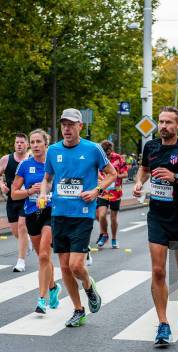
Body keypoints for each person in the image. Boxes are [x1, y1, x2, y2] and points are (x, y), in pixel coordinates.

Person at [133, 106, 178, 347]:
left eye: (168, 122)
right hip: (157, 216)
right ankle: (163, 324)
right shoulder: (151, 147)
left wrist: (175, 177)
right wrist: (138, 182)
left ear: (177, 126)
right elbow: (144, 168)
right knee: (158, 271)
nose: (163, 126)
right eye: (160, 122)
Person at [39, 108, 116, 327]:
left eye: (71, 124)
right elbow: (47, 178)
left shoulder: (93, 149)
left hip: (82, 214)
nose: (67, 128)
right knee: (64, 267)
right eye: (64, 124)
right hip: (59, 214)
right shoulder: (53, 151)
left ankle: (89, 285)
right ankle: (78, 309)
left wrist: (96, 190)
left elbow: (112, 174)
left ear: (80, 126)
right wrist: (44, 193)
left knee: (76, 266)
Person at [12, 129, 61, 314]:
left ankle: (41, 300)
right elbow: (14, 193)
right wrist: (30, 191)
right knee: (44, 257)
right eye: (32, 142)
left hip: (51, 212)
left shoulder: (56, 164)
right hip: (32, 213)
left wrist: (51, 194)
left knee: (43, 255)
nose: (35, 145)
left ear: (46, 144)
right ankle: (53, 287)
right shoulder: (25, 165)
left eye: (38, 142)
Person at [0, 133, 31, 272]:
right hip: (12, 199)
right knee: (16, 232)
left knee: (22, 226)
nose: (19, 145)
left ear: (27, 144)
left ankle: (20, 261)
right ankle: (27, 242)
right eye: (17, 142)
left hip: (27, 199)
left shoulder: (30, 159)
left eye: (22, 142)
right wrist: (1, 185)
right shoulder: (6, 159)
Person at [96, 140, 128, 249]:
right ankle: (104, 235)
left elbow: (125, 173)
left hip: (116, 192)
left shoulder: (118, 158)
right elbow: (96, 172)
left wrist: (114, 176)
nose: (107, 155)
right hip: (103, 191)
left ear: (111, 150)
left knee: (114, 218)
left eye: (108, 153)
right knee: (101, 215)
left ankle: (114, 239)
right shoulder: (99, 158)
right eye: (105, 154)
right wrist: (102, 179)